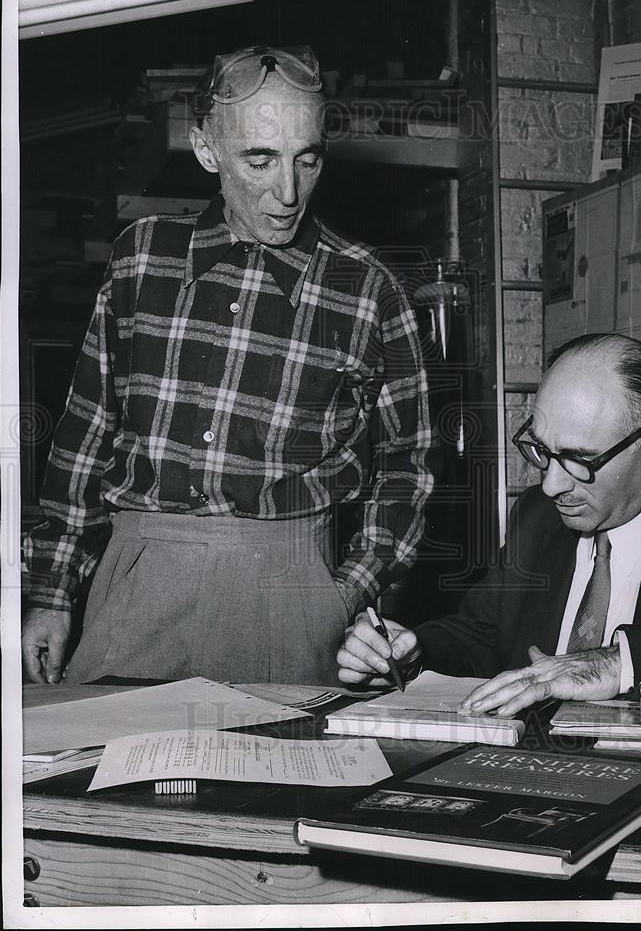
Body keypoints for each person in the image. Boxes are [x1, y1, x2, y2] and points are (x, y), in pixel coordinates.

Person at [22, 43, 433, 686]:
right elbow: (85, 436)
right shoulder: (143, 258)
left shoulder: (370, 289)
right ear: (207, 149)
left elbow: (408, 468)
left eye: (308, 159)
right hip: (135, 584)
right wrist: (51, 590)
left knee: (288, 782)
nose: (288, 191)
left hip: (292, 594)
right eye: (260, 159)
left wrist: (344, 593)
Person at [337, 333, 641, 715]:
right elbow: (481, 634)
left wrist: (620, 663)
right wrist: (409, 654)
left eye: (579, 460)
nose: (551, 485)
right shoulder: (538, 517)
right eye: (543, 451)